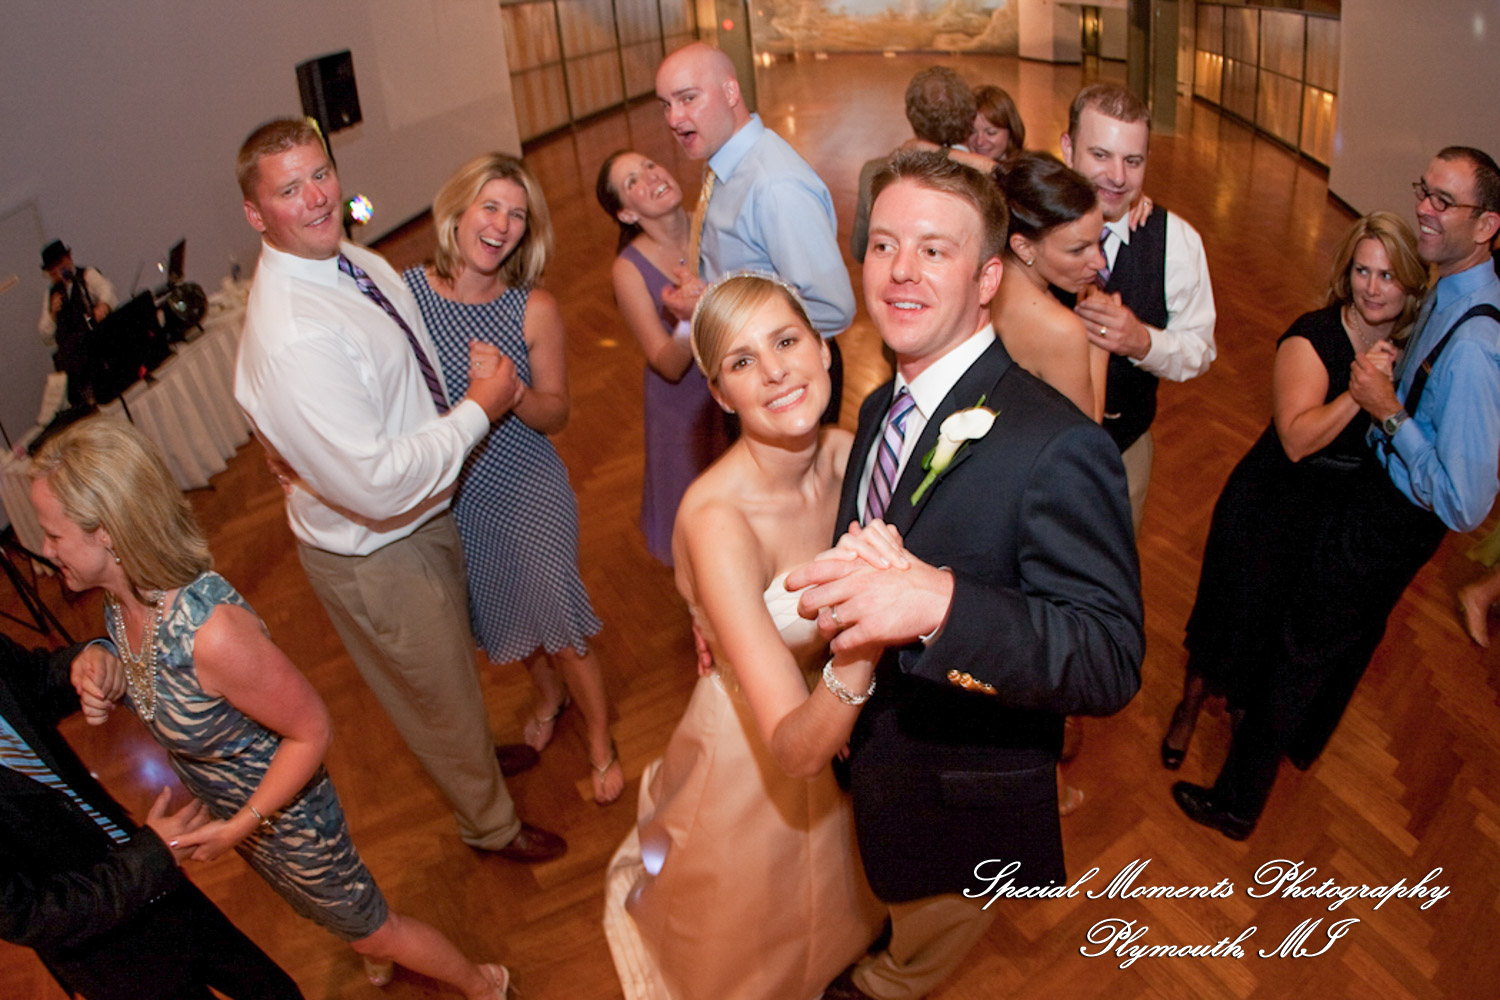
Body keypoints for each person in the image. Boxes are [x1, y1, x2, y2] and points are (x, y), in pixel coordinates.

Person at [788, 150, 1144, 1000]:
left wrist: (940, 603)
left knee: (923, 940)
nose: (900, 272)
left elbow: (1108, 656)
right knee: (892, 892)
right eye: (882, 246)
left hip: (964, 791)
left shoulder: (1057, 446)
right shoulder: (881, 404)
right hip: (880, 759)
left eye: (934, 250)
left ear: (989, 277)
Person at [28, 417, 510, 998]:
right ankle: (365, 939)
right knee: (341, 913)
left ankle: (483, 981)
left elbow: (312, 731)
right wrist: (103, 664)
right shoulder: (118, 605)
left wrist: (238, 828)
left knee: (374, 929)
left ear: (106, 532)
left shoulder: (213, 634)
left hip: (289, 821)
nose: (45, 550)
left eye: (53, 535)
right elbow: (156, 677)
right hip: (251, 823)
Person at [232, 118, 564, 861]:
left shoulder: (349, 259)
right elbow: (378, 486)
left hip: (421, 515)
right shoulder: (295, 335)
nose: (317, 198)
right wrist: (482, 406)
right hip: (378, 550)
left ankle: (474, 759)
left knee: (450, 671)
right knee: (433, 696)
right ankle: (490, 825)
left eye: (320, 174)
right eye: (290, 190)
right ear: (256, 215)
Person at [1173, 146, 1500, 841]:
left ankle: (1236, 804)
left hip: (1391, 523)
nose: (1426, 208)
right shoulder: (1450, 291)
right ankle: (1282, 745)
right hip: (1366, 502)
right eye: (1426, 191)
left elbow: (1466, 502)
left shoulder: (1475, 345)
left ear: (1488, 224)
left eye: (1446, 202)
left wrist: (1386, 412)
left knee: (1302, 650)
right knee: (1317, 639)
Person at [601, 273, 884, 1000]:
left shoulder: (852, 452)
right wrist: (864, 646)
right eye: (741, 361)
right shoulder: (717, 518)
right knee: (742, 930)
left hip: (843, 724)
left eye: (786, 341)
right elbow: (793, 745)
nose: (775, 370)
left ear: (825, 351)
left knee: (838, 892)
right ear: (722, 398)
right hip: (762, 739)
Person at [1161, 212, 1426, 770]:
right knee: (1228, 614)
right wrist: (1364, 391)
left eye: (1389, 276)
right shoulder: (1314, 337)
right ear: (1345, 271)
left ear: (1411, 283)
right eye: (1362, 271)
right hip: (1270, 503)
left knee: (1275, 627)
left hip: (1334, 517)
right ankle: (1188, 707)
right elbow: (1297, 439)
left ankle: (1242, 712)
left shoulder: (1410, 345)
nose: (1373, 288)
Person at [404, 152, 623, 805]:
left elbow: (557, 413)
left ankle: (601, 739)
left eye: (517, 216)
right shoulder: (410, 295)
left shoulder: (533, 308)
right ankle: (548, 694)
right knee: (504, 611)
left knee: (557, 613)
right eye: (491, 207)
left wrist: (510, 392)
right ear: (459, 211)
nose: (501, 225)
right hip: (455, 493)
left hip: (527, 483)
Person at [1, 634, 304, 1000]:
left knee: (272, 989)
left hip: (158, 880)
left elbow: (37, 680)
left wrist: (91, 660)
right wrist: (148, 860)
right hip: (102, 950)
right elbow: (28, 913)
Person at [656, 42, 854, 422]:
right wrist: (711, 293)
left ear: (731, 92)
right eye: (666, 104)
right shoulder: (726, 161)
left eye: (687, 98)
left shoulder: (774, 185)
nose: (673, 117)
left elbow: (833, 308)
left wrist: (710, 312)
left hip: (788, 383)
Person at [1059, 83, 1217, 530]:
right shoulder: (1029, 222)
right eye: (1101, 155)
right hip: (1022, 447)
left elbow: (1199, 350)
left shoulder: (1177, 243)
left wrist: (1142, 341)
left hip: (1122, 451)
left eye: (1133, 161)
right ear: (1068, 148)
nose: (1117, 177)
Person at [596, 150, 729, 566]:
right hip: (682, 410)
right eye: (632, 180)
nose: (651, 176)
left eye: (650, 165)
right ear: (626, 213)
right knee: (698, 540)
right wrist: (690, 320)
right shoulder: (628, 269)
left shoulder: (711, 224)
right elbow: (667, 364)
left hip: (729, 388)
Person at [991, 152, 1109, 421]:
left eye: (1098, 242)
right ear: (1023, 247)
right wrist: (1100, 343)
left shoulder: (983, 283)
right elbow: (1085, 434)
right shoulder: (1061, 329)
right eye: (1079, 250)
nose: (1099, 261)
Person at [851, 67, 978, 263]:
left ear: (910, 113)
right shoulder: (983, 173)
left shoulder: (873, 172)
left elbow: (860, 250)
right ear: (969, 116)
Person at [38, 239, 119, 405]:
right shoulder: (51, 295)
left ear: (69, 257)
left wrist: (103, 305)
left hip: (98, 358)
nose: (59, 273)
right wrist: (53, 314)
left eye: (60, 265)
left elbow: (108, 290)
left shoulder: (86, 276)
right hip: (74, 369)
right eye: (53, 272)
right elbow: (45, 335)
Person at [967, 84, 1025, 162]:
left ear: (1011, 133)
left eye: (991, 133)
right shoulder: (956, 170)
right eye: (972, 132)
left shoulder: (1028, 172)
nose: (979, 142)